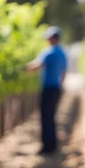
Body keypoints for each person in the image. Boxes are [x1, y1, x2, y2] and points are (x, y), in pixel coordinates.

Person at [25, 26, 68, 154]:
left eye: (49, 38)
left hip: (48, 88)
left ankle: (47, 147)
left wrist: (23, 69)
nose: (48, 40)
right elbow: (64, 72)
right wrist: (60, 86)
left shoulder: (49, 52)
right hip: (56, 88)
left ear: (54, 38)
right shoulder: (62, 53)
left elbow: (37, 65)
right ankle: (52, 145)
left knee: (45, 117)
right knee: (52, 116)